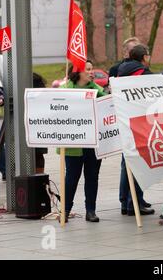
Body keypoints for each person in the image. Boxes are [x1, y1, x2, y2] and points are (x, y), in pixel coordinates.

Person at [58, 60, 107, 222]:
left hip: (93, 144)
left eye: (92, 69)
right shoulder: (65, 90)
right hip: (73, 144)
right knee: (71, 177)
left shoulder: (97, 90)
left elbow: (107, 105)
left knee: (92, 176)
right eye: (88, 69)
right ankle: (65, 210)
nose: (91, 72)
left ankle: (90, 210)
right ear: (78, 71)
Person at [116, 44, 155, 216]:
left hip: (125, 123)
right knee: (139, 163)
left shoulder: (120, 70)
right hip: (141, 123)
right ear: (144, 57)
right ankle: (135, 204)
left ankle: (125, 202)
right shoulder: (144, 74)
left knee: (127, 163)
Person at [33, 73, 48, 174]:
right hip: (39, 128)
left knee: (37, 155)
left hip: (36, 127)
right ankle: (39, 176)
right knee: (38, 155)